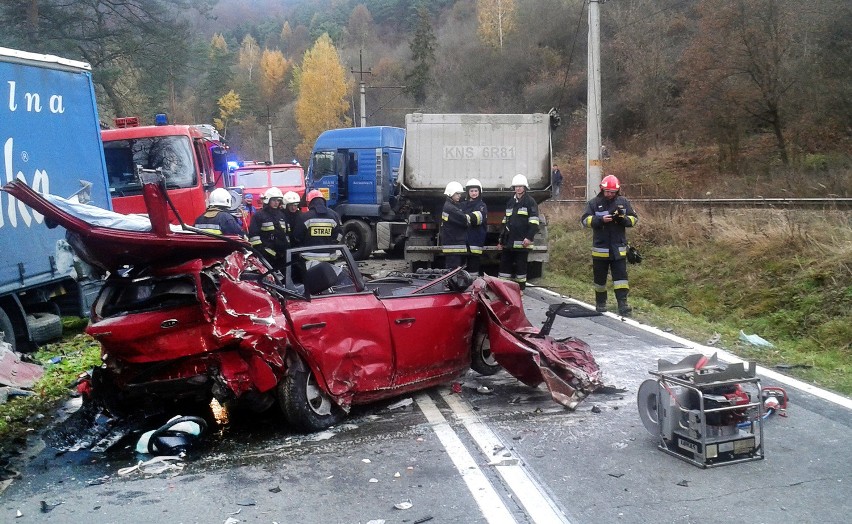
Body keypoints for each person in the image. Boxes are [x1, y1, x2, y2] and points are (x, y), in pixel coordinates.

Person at [580, 174, 638, 315]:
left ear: (617, 191)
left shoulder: (623, 202)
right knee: (600, 280)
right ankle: (601, 303)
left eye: (612, 192)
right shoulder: (593, 203)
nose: (610, 195)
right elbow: (585, 220)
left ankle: (623, 304)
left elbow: (634, 219)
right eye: (607, 192)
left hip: (618, 249)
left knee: (621, 279)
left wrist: (623, 220)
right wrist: (600, 220)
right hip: (600, 249)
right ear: (602, 189)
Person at [498, 174, 540, 290]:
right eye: (516, 186)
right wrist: (501, 241)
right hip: (508, 243)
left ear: (525, 187)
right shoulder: (510, 202)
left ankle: (520, 290)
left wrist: (529, 238)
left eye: (520, 186)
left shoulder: (530, 202)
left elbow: (534, 223)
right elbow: (505, 222)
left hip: (522, 243)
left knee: (521, 270)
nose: (518, 188)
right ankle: (503, 290)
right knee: (504, 269)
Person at [249, 187, 290, 267]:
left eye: (278, 200)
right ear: (268, 200)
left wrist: (286, 248)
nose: (276, 203)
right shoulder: (259, 215)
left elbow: (287, 234)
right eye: (274, 200)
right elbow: (254, 237)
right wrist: (262, 251)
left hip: (281, 255)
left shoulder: (282, 215)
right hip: (266, 256)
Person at [440, 181, 469, 270]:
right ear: (450, 194)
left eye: (460, 194)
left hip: (452, 243)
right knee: (453, 271)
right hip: (454, 244)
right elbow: (464, 220)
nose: (459, 196)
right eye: (457, 193)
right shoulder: (451, 208)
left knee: (453, 270)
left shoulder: (449, 206)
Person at [462, 178, 487, 275]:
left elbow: (478, 218)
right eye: (471, 191)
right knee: (462, 267)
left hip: (476, 241)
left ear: (479, 192)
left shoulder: (482, 205)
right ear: (468, 192)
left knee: (473, 267)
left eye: (476, 191)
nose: (474, 193)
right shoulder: (463, 204)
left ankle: (473, 286)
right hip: (464, 241)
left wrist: (464, 217)